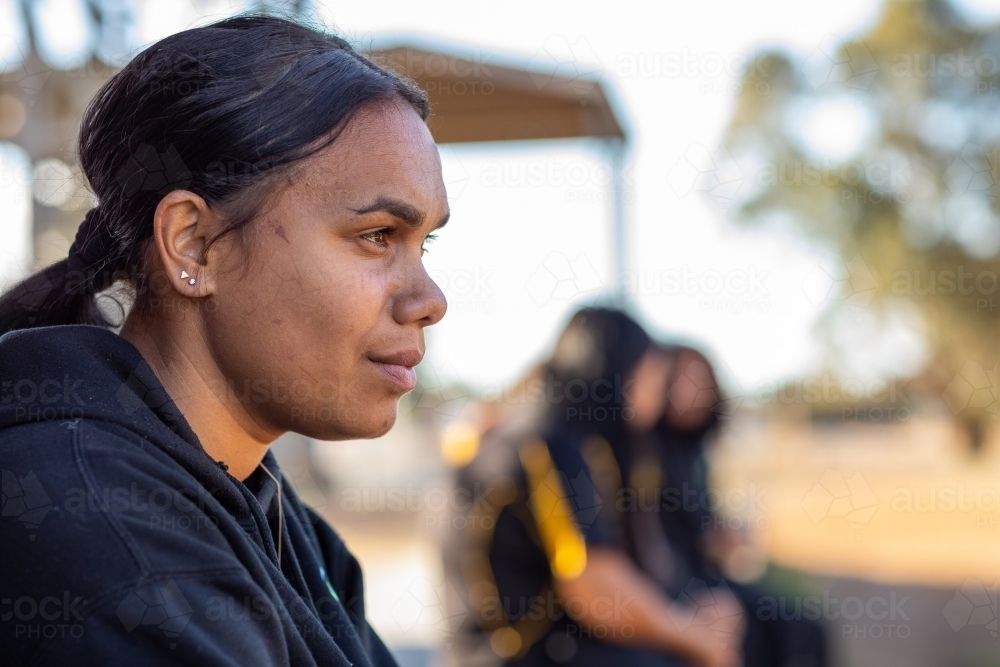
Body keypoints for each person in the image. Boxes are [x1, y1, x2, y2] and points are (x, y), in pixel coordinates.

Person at [0, 15, 447, 667]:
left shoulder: (280, 521)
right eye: (377, 235)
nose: (429, 301)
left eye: (424, 243)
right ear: (195, 244)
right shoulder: (102, 533)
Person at [445, 308, 744, 667]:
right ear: (617, 372)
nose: (656, 396)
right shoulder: (546, 444)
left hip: (541, 640)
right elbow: (594, 586)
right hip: (513, 653)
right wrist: (694, 637)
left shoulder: (545, 432)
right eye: (651, 377)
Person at [629, 345, 828, 667]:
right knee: (754, 638)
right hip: (674, 585)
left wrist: (724, 536)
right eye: (680, 380)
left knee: (801, 627)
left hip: (707, 576)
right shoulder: (643, 451)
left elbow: (704, 525)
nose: (690, 392)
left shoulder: (695, 455)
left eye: (699, 381)